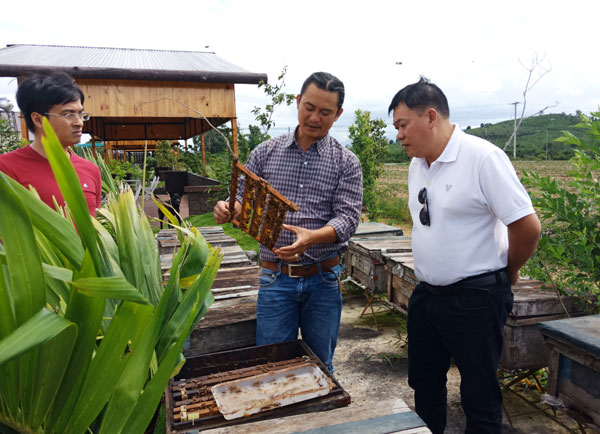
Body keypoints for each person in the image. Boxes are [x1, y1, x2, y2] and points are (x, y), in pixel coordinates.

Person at [388, 77, 541, 434]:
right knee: (424, 384)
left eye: (402, 125)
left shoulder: (482, 158)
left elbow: (527, 227)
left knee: (479, 395)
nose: (398, 135)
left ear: (430, 117)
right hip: (427, 295)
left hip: (475, 298)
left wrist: (510, 270)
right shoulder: (418, 164)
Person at [213, 71, 363, 371]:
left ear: (338, 114)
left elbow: (347, 219)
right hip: (275, 277)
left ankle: (319, 418)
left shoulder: (346, 162)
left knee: (320, 366)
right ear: (297, 102)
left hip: (323, 278)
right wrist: (231, 208)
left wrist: (312, 237)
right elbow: (243, 198)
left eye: (325, 112)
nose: (315, 117)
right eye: (309, 107)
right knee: (271, 365)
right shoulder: (265, 153)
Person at [0, 72, 101, 215]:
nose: (79, 122)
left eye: (80, 114)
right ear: (38, 120)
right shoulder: (5, 169)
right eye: (68, 114)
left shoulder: (91, 170)